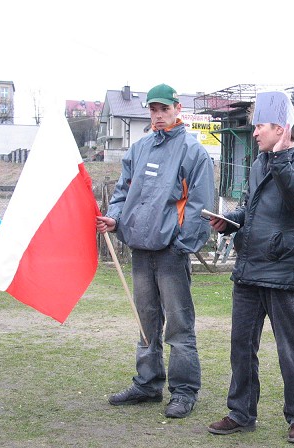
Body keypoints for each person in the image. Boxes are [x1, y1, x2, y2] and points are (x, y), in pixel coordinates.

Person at [207, 91, 294, 444]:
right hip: (248, 268)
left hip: (283, 272)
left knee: (291, 349)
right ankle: (241, 412)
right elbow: (252, 210)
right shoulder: (259, 162)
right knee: (241, 346)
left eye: (260, 126)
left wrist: (283, 158)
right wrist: (230, 221)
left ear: (281, 128)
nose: (254, 133)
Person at [96, 83, 214, 419]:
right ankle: (147, 383)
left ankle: (184, 391)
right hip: (140, 248)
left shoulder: (193, 152)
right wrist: (115, 219)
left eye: (164, 109)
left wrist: (182, 244)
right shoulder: (138, 149)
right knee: (145, 320)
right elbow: (122, 194)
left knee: (178, 324)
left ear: (177, 109)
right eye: (153, 110)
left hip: (171, 252)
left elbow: (200, 205)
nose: (159, 115)